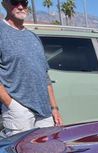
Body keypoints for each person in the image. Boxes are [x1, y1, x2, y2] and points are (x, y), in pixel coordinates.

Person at [0, 0, 62, 137]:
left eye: (24, 2)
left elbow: (45, 75)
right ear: (4, 4)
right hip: (19, 112)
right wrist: (10, 104)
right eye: (15, 2)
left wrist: (54, 108)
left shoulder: (33, 37)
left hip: (44, 112)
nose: (20, 6)